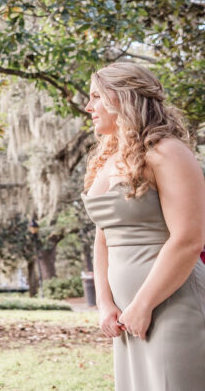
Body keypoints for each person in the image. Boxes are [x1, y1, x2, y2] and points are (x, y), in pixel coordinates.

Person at [81, 62, 205, 391]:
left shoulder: (168, 153)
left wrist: (143, 304)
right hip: (126, 315)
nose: (88, 107)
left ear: (121, 98)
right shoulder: (107, 160)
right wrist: (106, 303)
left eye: (96, 97)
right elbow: (103, 237)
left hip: (173, 305)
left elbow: (189, 239)